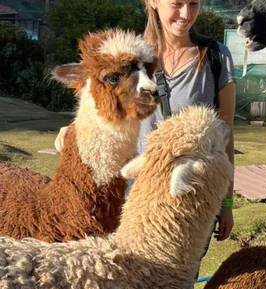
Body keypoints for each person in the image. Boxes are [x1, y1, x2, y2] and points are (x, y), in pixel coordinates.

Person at [55, 0, 235, 242]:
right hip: (133, 197)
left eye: (193, 4)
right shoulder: (126, 56)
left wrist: (227, 202)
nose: (186, 14)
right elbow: (103, 107)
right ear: (153, 2)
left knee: (180, 276)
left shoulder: (215, 58)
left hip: (190, 198)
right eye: (177, 4)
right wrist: (74, 131)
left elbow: (226, 133)